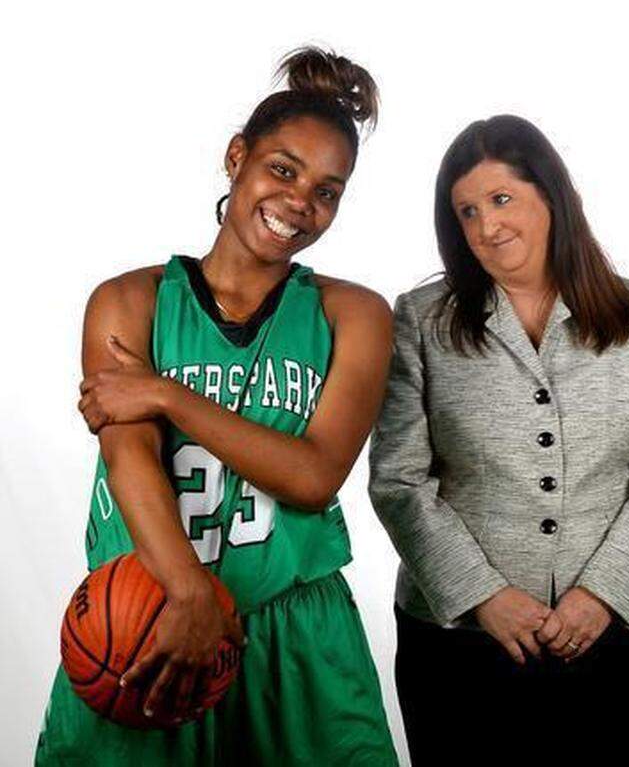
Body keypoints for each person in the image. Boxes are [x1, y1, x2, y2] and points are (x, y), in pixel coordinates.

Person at [36, 48, 398, 765]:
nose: (300, 202)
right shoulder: (127, 301)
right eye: (283, 169)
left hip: (298, 631)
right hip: (149, 616)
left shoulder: (354, 314)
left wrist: (167, 392)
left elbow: (315, 475)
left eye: (329, 191)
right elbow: (129, 455)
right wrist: (189, 594)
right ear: (237, 157)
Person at [368, 114, 629, 765]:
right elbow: (398, 480)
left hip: (622, 637)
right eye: (466, 212)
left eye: (500, 199)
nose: (487, 227)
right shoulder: (421, 318)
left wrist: (603, 593)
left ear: (551, 194)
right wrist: (483, 596)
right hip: (464, 648)